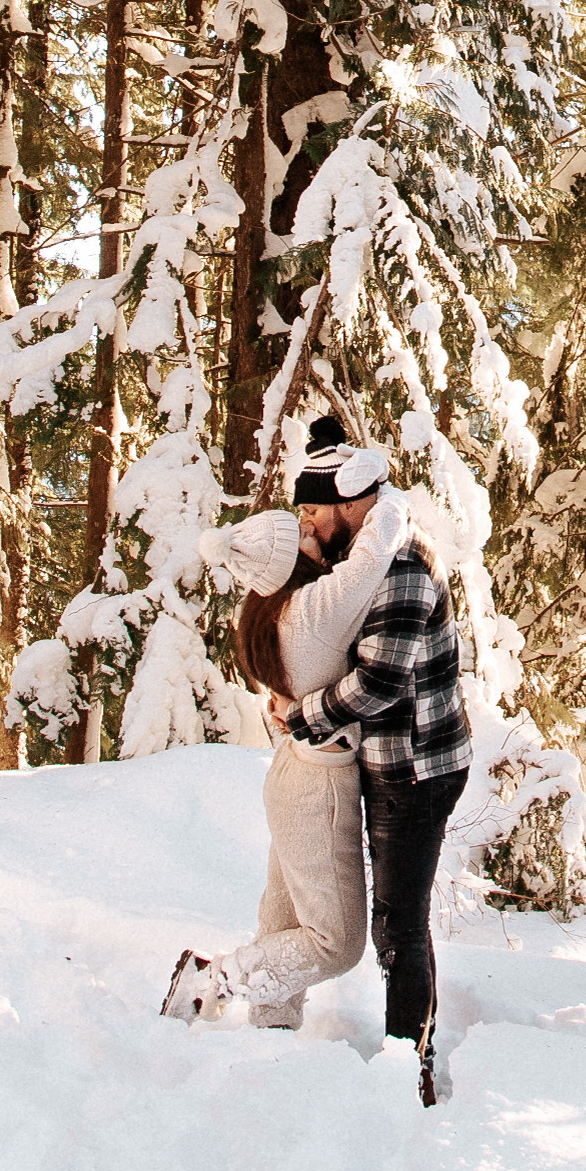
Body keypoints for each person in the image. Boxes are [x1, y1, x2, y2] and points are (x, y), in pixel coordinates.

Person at [160, 455, 405, 1030]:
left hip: (293, 774)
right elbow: (375, 552)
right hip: (318, 786)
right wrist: (384, 494)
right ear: (293, 562)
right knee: (335, 943)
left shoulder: (267, 613)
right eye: (300, 534)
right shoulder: (316, 609)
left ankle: (271, 1036)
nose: (310, 529)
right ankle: (211, 981)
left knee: (284, 923)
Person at [276, 443, 471, 1106]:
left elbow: (381, 682)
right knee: (394, 921)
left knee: (398, 925)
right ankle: (406, 1053)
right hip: (387, 762)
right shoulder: (361, 556)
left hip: (415, 769)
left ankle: (410, 1067)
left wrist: (300, 716)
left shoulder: (403, 564)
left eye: (314, 509)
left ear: (353, 503)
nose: (306, 521)